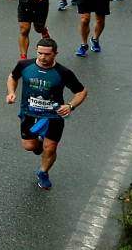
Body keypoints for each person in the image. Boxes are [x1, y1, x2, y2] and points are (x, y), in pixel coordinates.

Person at [6, 39, 89, 190]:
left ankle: (43, 172)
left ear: (55, 54)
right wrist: (11, 92)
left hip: (53, 116)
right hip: (28, 113)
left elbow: (81, 91)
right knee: (29, 146)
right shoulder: (25, 65)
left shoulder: (63, 72)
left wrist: (70, 106)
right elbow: (12, 77)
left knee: (50, 148)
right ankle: (38, 142)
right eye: (40, 53)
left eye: (47, 54)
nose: (43, 57)